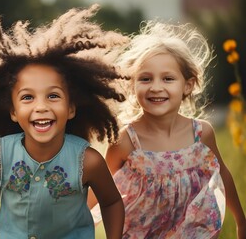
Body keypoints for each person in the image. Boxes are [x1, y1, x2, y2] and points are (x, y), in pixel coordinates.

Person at [0, 4, 128, 239]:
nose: (41, 106)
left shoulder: (88, 161)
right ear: (13, 111)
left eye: (53, 95)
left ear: (71, 108)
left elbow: (112, 202)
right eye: (27, 97)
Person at [89, 20, 246, 238]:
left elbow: (223, 176)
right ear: (133, 85)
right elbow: (98, 191)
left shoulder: (202, 134)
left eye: (168, 78)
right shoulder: (126, 141)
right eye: (145, 78)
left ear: (187, 85)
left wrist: (241, 220)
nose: (156, 87)